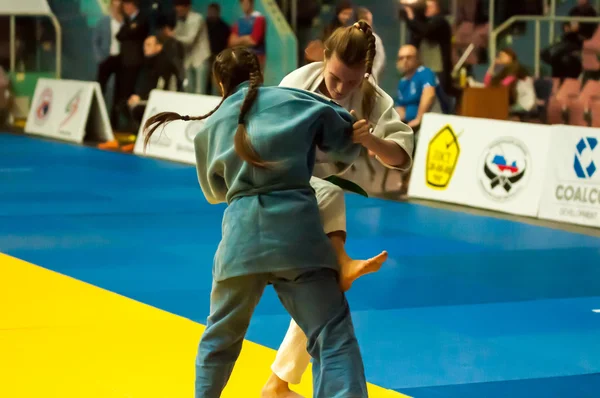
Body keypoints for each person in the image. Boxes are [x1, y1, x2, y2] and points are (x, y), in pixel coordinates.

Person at [142, 46, 369, 398]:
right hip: (298, 238)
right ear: (259, 71)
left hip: (241, 242)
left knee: (219, 338)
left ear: (220, 83)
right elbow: (345, 140)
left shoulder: (209, 128)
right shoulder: (298, 101)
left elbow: (214, 192)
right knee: (332, 333)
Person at [262, 21, 414, 398]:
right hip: (279, 184)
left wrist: (371, 140)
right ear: (323, 57)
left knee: (323, 286)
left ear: (365, 73)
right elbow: (263, 137)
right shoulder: (297, 83)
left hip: (316, 196)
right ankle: (341, 258)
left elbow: (401, 156)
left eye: (353, 80)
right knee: (330, 200)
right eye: (335, 77)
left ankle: (278, 384)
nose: (342, 88)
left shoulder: (371, 98)